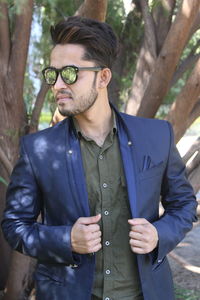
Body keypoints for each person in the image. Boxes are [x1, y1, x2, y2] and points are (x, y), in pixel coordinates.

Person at [1, 16, 197, 300]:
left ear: (103, 77)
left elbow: (183, 205)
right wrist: (65, 239)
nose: (57, 85)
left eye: (69, 73)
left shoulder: (156, 136)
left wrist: (159, 234)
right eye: (52, 74)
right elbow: (15, 225)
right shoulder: (37, 149)